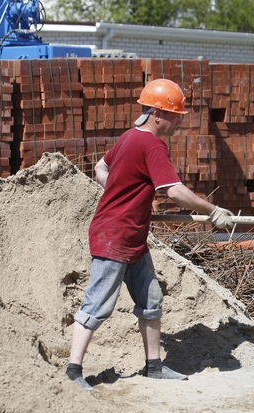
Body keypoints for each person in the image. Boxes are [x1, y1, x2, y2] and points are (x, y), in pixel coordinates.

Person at [66, 78, 235, 392]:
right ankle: (73, 372)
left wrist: (121, 193)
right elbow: (173, 191)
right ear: (156, 114)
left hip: (132, 237)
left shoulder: (128, 137)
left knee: (151, 300)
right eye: (174, 116)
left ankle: (154, 367)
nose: (178, 122)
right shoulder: (152, 144)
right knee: (97, 305)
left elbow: (100, 168)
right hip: (115, 236)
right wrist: (213, 211)